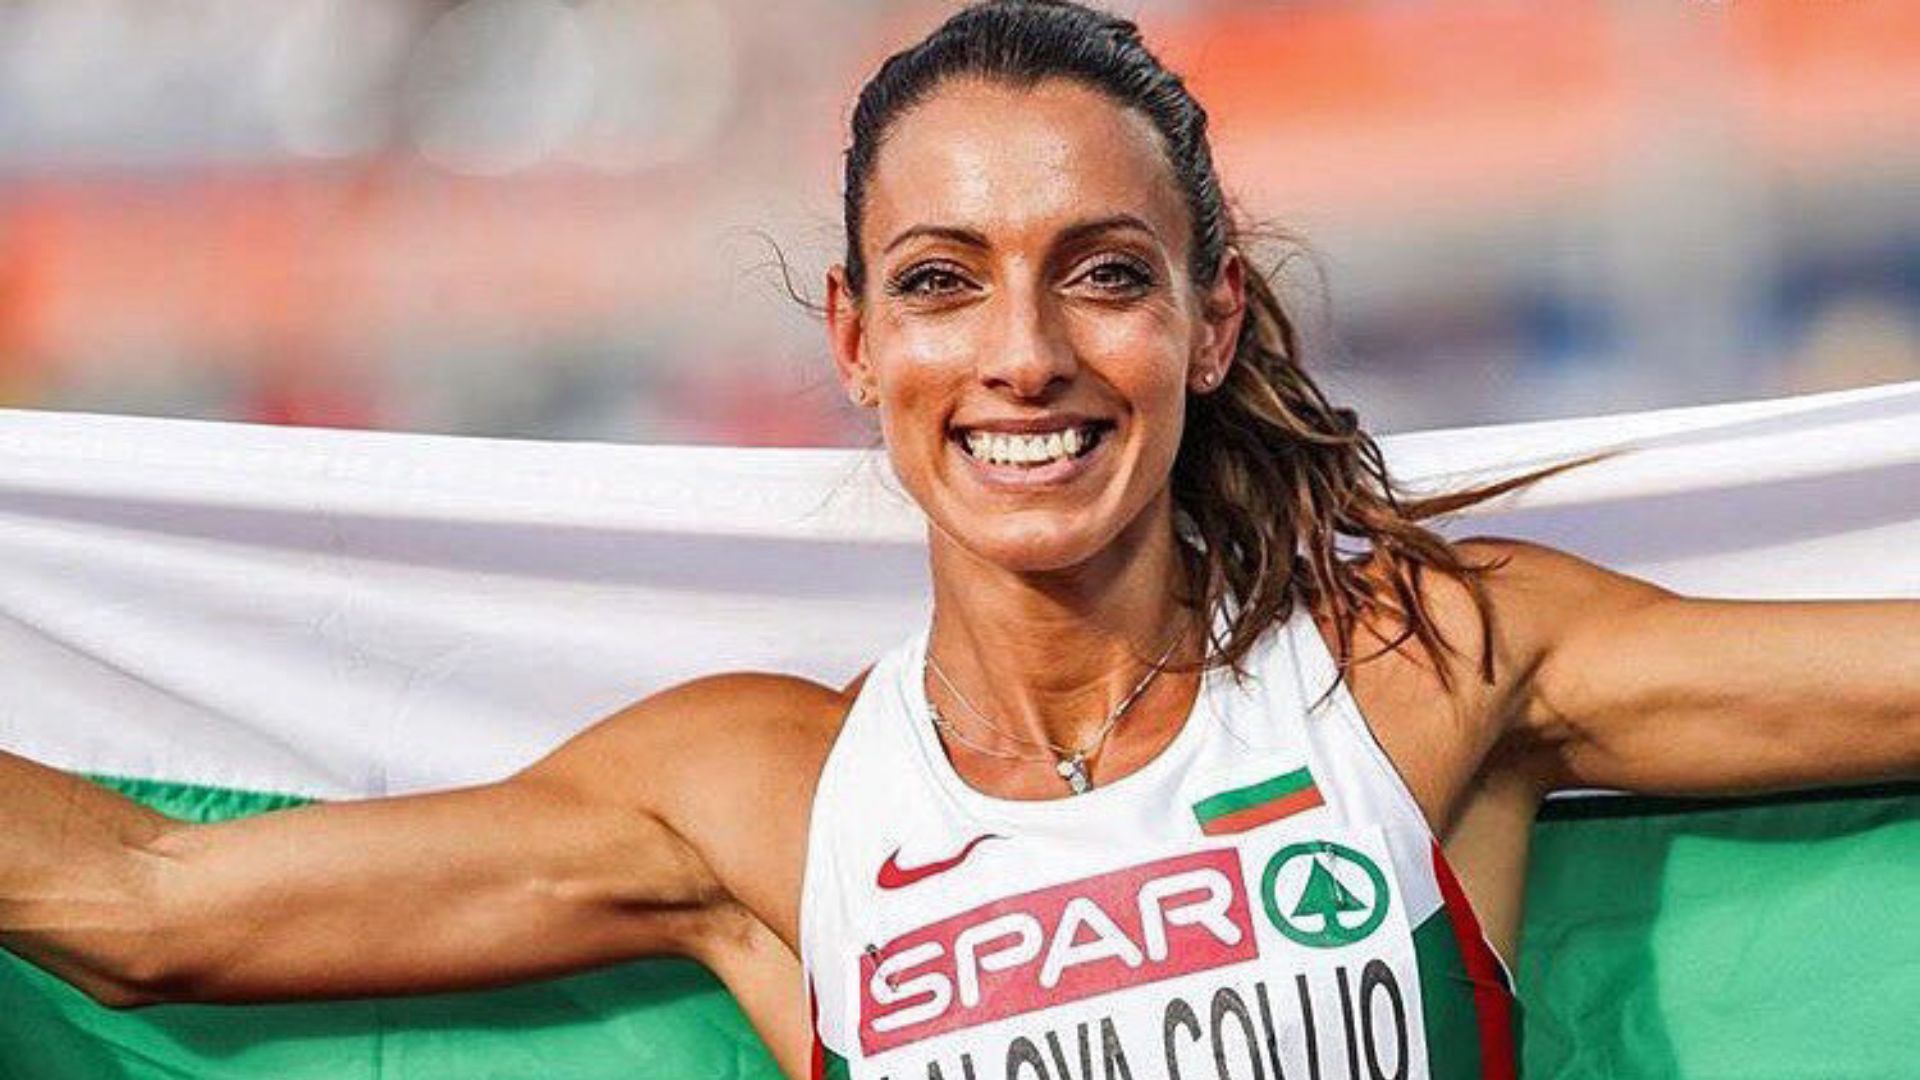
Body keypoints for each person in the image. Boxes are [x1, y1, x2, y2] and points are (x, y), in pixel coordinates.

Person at [2, 2, 1914, 1077]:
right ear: (854, 339)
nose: (1024, 356)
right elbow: (152, 909)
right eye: (942, 283)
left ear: (1211, 319)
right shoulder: (757, 796)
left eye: (1103, 276)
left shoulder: (1416, 665)